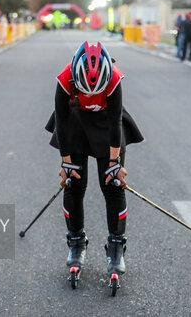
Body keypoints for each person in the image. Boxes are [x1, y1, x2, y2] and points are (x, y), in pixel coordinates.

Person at [45, 41, 144, 288]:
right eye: (85, 90)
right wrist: (66, 163)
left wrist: (115, 163)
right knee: (73, 184)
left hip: (106, 125)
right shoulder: (65, 77)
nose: (89, 95)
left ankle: (116, 245)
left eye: (94, 91)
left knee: (112, 184)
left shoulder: (114, 80)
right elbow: (62, 120)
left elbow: (115, 124)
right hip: (75, 123)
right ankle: (76, 242)